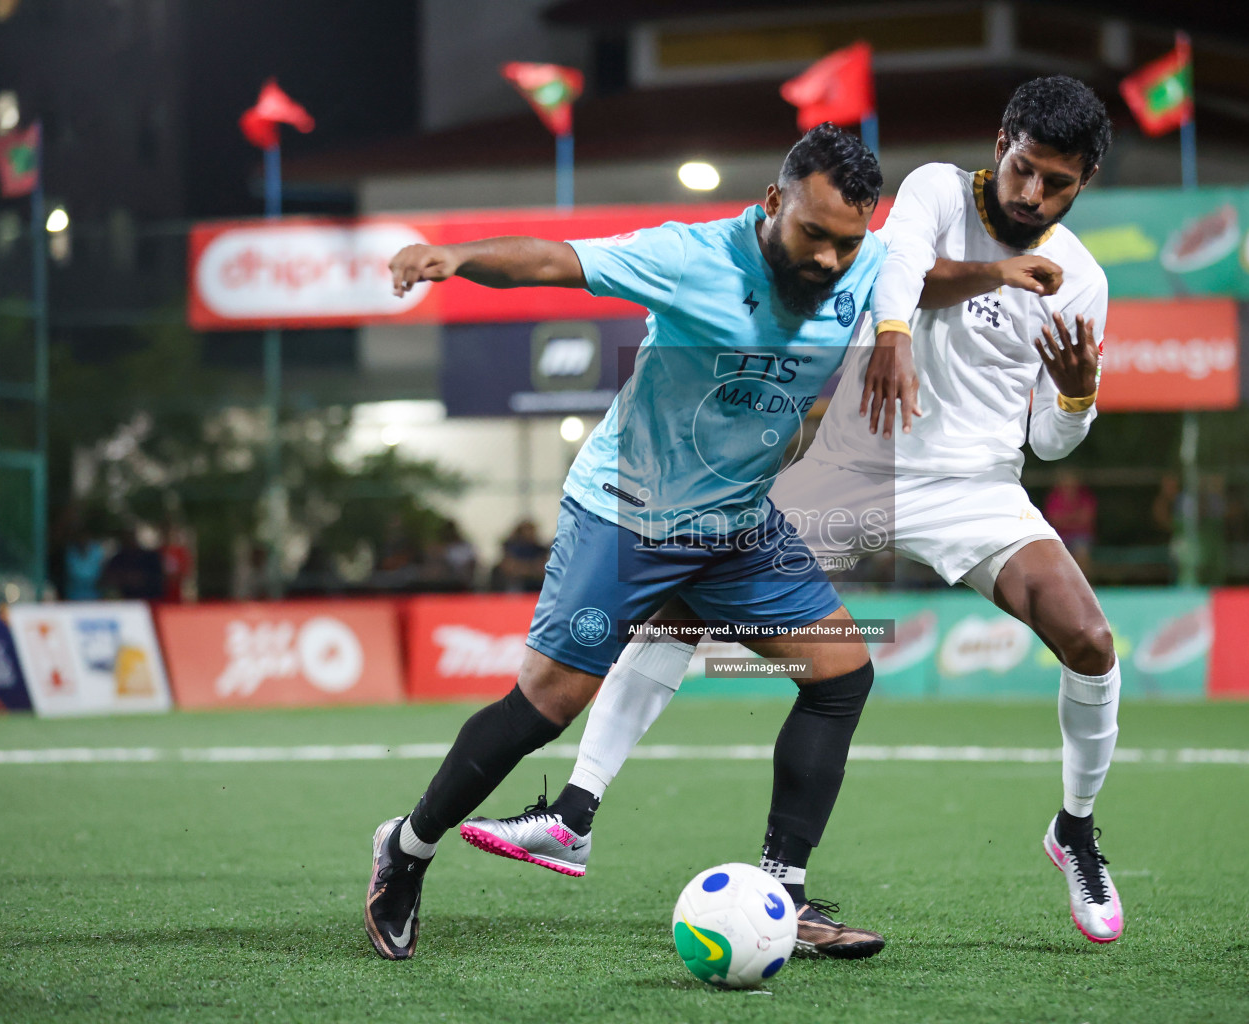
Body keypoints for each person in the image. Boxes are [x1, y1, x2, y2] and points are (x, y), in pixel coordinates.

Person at [480, 77, 1127, 944]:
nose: (1031, 192)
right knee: (685, 596)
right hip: (856, 462)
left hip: (976, 489)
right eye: (1023, 167)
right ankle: (574, 814)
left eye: (1057, 182)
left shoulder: (1083, 281)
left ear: (1084, 181)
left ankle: (1075, 831)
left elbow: (1050, 443)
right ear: (1002, 140)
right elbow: (896, 268)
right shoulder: (940, 187)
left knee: (1089, 639)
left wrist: (1079, 399)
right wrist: (892, 338)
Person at [366, 124, 898, 962]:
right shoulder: (690, 259)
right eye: (814, 235)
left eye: (847, 242)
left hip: (737, 524)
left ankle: (784, 894)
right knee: (545, 706)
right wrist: (457, 257)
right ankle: (407, 849)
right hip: (629, 511)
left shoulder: (868, 262)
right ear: (772, 205)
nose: (831, 259)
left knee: (841, 674)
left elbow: (925, 280)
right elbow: (557, 262)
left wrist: (1003, 274)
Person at [1044, 469, 1097, 577]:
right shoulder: (1054, 498)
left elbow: (1086, 519)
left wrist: (1065, 519)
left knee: (1082, 551)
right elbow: (1054, 521)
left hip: (1080, 537)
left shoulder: (1085, 497)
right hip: (1058, 537)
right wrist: (1074, 518)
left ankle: (1085, 583)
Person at [491, 519, 550, 592]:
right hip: (515, 581)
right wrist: (527, 568)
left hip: (534, 582)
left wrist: (524, 569)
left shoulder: (540, 549)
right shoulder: (510, 546)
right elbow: (508, 566)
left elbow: (541, 567)